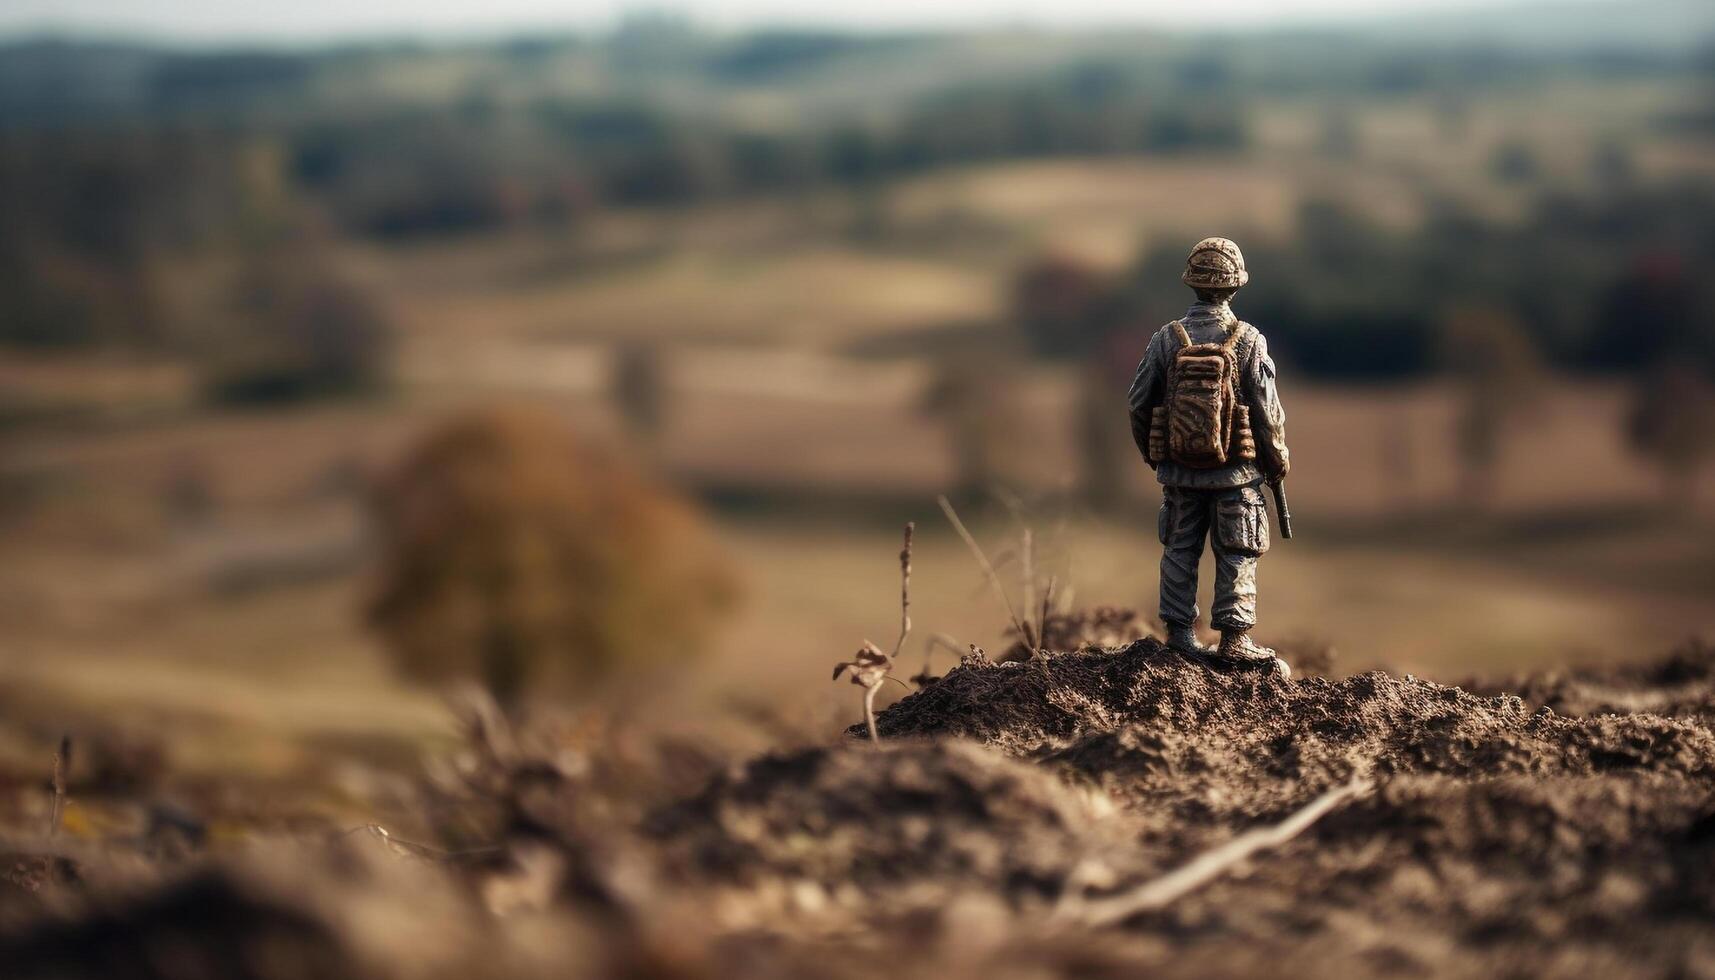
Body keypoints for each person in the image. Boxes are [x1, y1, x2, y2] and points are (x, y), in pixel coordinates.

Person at [1127, 237, 1292, 677]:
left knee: (1179, 548)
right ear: (1236, 285)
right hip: (1236, 475)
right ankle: (1235, 640)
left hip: (1179, 473)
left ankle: (1180, 635)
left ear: (1191, 283)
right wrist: (1276, 461)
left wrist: (1157, 454)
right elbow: (1267, 411)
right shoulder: (1249, 341)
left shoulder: (1167, 339)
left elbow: (1138, 403)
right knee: (1239, 550)